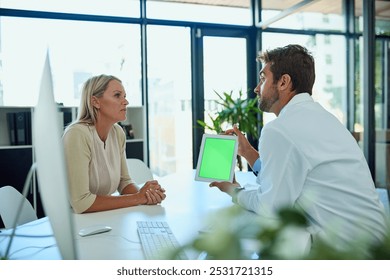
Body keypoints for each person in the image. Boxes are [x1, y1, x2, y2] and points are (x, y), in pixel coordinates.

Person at [210, 44, 388, 248]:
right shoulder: (323, 118)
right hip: (375, 246)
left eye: (263, 78)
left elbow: (271, 206)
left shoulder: (280, 129)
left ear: (284, 82)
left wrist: (234, 190)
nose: (257, 88)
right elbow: (293, 176)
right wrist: (248, 152)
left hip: (348, 254)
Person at [63, 74, 166, 214]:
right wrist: (138, 198)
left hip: (103, 216)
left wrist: (147, 195)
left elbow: (124, 182)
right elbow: (81, 203)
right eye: (117, 95)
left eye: (124, 96)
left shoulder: (117, 132)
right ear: (95, 102)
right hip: (74, 222)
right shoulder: (77, 135)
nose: (126, 102)